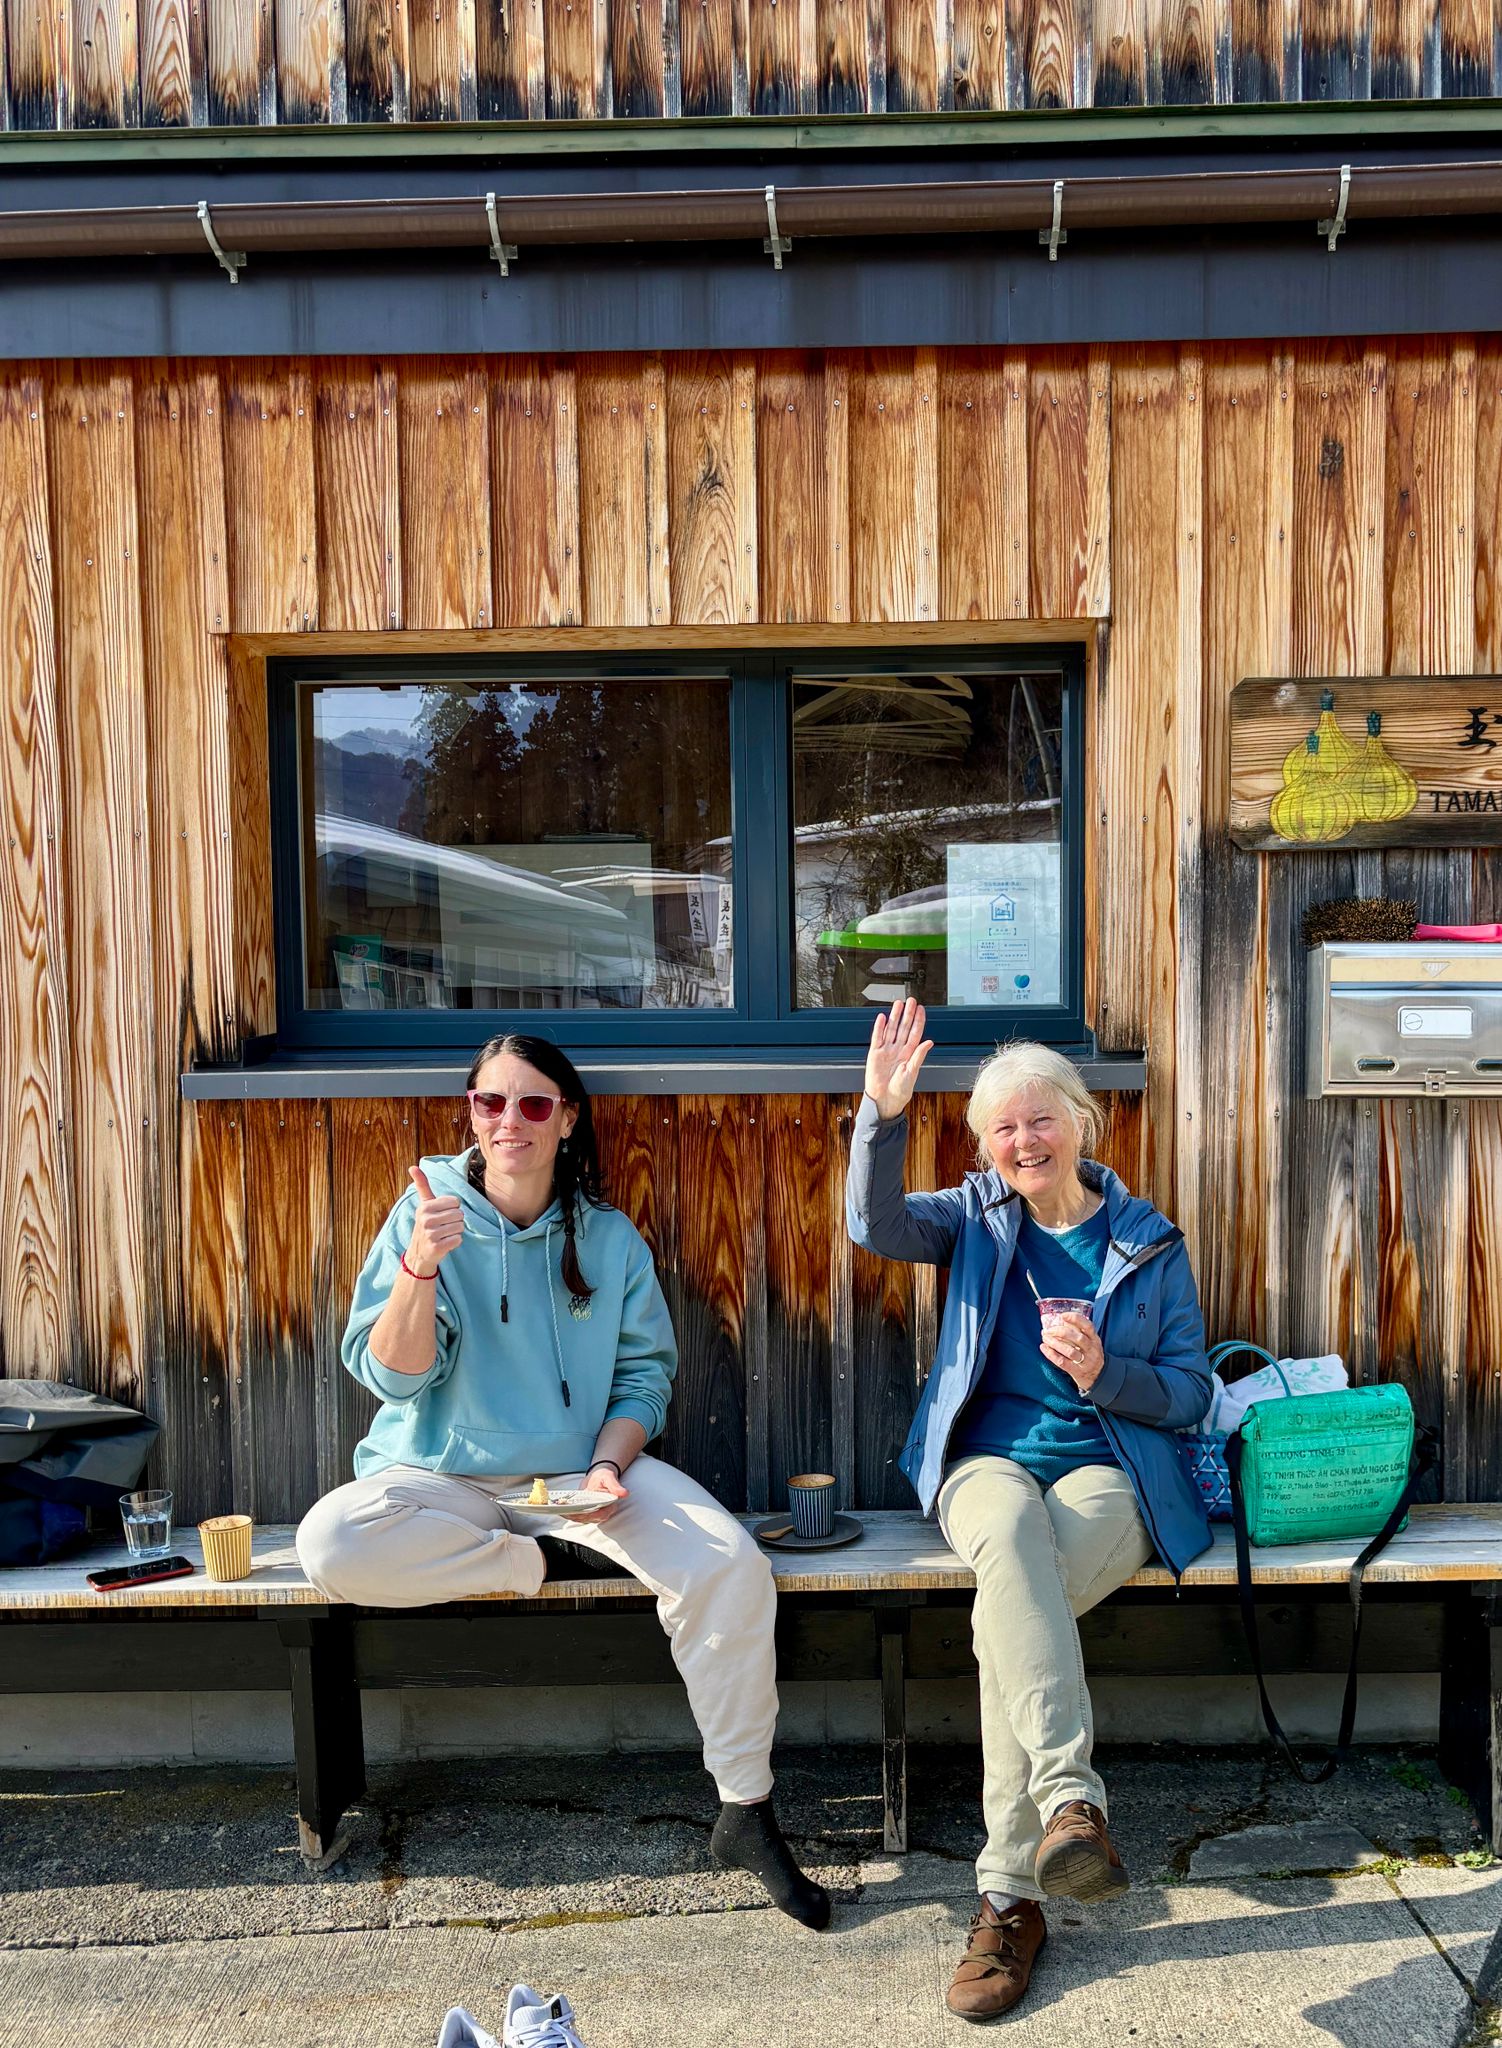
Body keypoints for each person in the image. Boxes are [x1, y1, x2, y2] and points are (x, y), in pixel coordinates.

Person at [297, 1032, 829, 1930]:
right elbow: (391, 1376)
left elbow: (642, 1381)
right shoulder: (425, 1213)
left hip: (581, 1480)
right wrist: (422, 1265)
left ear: (568, 1120)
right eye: (490, 1103)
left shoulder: (611, 1239)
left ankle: (746, 1808)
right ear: (469, 1111)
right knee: (330, 1544)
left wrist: (607, 1466)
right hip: (440, 1478)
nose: (510, 1122)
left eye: (534, 1104)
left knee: (729, 1565)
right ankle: (535, 1568)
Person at [845, 1001, 1211, 2020]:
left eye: (1038, 1120)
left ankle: (1008, 1895)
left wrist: (1107, 1373)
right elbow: (870, 1223)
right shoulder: (971, 1216)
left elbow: (1188, 1393)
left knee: (1003, 1617)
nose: (1021, 1141)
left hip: (1110, 1466)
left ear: (1081, 1121)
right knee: (1006, 1537)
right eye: (1000, 1127)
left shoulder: (1147, 1241)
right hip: (984, 1462)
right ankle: (1067, 1800)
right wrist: (878, 1111)